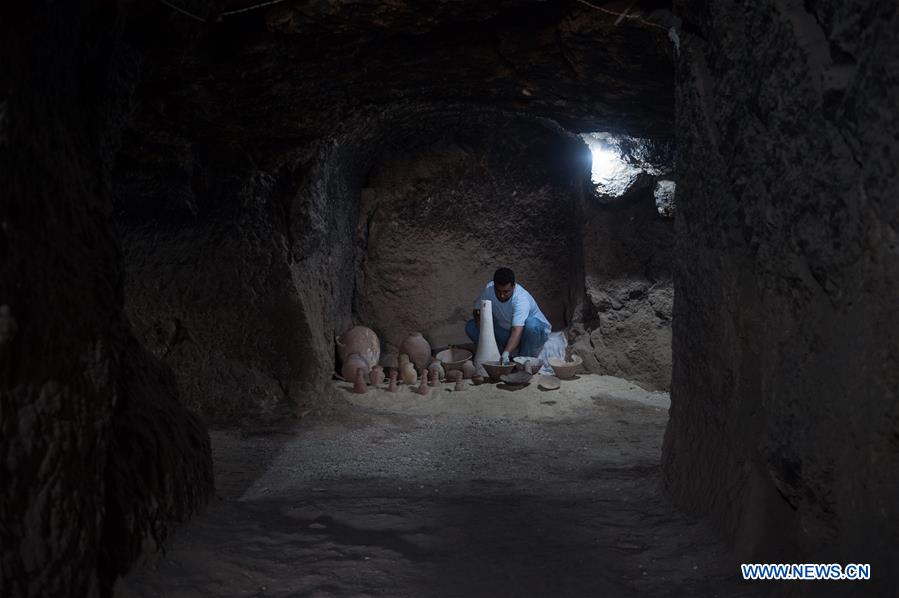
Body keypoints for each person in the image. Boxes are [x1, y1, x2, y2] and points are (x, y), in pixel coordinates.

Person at [465, 267, 551, 363]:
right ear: (494, 285)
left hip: (532, 334)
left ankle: (522, 361)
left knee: (531, 324)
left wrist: (506, 352)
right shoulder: (489, 289)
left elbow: (517, 330)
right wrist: (480, 323)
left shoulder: (521, 299)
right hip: (507, 332)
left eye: (506, 292)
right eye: (498, 291)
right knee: (471, 326)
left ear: (513, 286)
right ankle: (499, 355)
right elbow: (477, 310)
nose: (502, 295)